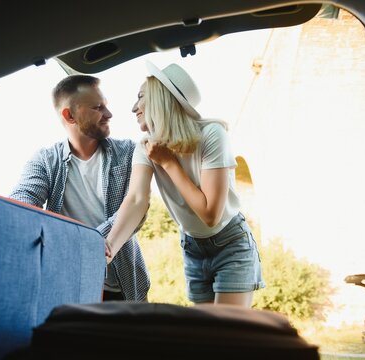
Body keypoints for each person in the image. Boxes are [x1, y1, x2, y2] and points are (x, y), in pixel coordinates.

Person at [105, 61, 265, 307]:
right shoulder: (144, 147)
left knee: (227, 336)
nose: (133, 107)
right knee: (204, 338)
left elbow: (211, 214)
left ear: (160, 99)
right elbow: (136, 200)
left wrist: (169, 163)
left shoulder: (212, 135)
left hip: (230, 244)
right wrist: (109, 248)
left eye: (140, 97)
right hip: (192, 247)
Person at [10, 74, 150, 301]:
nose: (109, 114)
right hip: (68, 284)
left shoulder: (128, 153)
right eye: (98, 107)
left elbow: (135, 211)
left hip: (123, 285)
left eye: (106, 105)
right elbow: (22, 202)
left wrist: (86, 242)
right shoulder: (46, 161)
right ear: (70, 115)